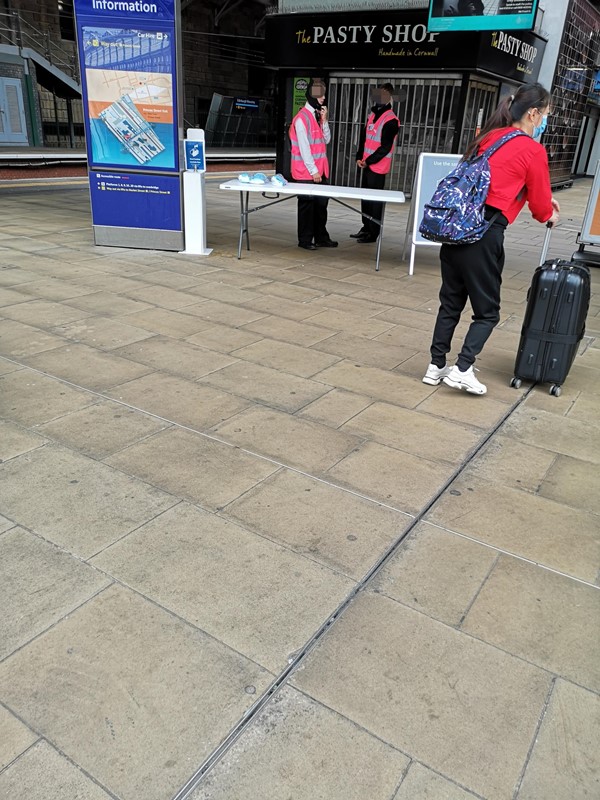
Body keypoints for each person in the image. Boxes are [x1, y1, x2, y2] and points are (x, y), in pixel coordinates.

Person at [422, 82, 560, 396]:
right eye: (545, 115)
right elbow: (540, 206)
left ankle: (436, 366)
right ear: (533, 113)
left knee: (450, 302)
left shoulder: (485, 138)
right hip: (484, 234)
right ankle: (462, 369)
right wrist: (550, 214)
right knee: (487, 311)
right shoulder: (531, 149)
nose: (544, 122)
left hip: (453, 230)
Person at [288, 78, 338, 251]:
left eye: (324, 94)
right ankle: (305, 239)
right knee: (307, 207)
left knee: (321, 206)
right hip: (307, 172)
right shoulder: (301, 119)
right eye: (320, 94)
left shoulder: (316, 115)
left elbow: (327, 139)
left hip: (319, 171)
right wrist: (314, 171)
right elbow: (304, 149)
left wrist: (324, 121)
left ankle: (321, 237)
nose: (323, 98)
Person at [352, 83, 400, 244]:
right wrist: (359, 157)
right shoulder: (371, 115)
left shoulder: (391, 120)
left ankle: (373, 233)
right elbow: (364, 139)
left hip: (377, 166)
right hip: (366, 164)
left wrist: (369, 161)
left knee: (374, 201)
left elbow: (385, 147)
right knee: (365, 199)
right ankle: (365, 227)